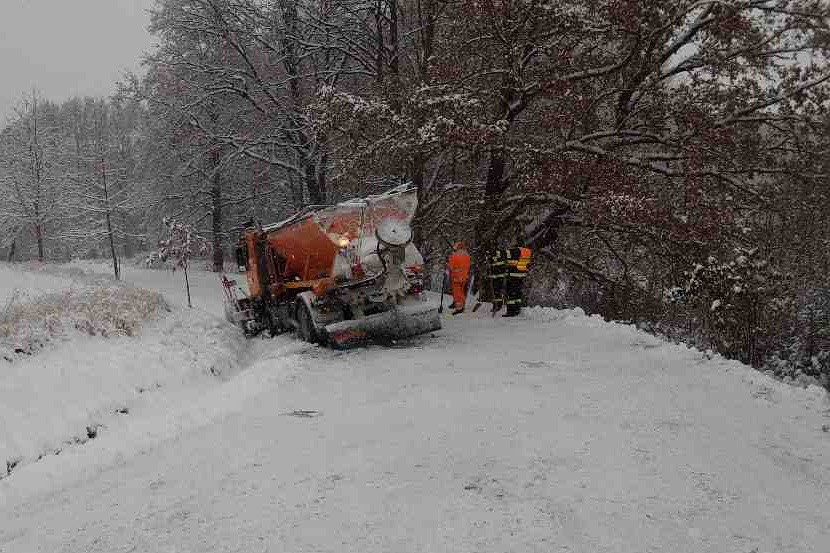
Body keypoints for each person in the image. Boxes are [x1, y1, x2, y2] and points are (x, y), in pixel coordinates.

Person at [503, 243, 532, 317]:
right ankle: (517, 310)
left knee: (511, 294)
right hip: (521, 275)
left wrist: (506, 263)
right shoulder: (527, 251)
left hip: (513, 275)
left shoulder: (515, 251)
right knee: (517, 294)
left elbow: (508, 258)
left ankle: (510, 312)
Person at [447, 241, 471, 315]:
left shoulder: (454, 256)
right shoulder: (467, 255)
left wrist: (448, 263)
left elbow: (450, 267)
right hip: (464, 277)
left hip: (456, 277)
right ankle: (461, 305)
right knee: (462, 292)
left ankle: (459, 308)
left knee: (457, 293)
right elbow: (468, 266)